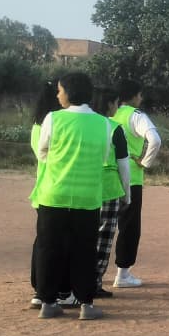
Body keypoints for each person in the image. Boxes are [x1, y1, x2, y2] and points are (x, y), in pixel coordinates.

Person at [32, 71, 110, 320]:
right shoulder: (104, 123)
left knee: (49, 248)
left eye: (60, 90)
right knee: (85, 251)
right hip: (87, 199)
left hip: (54, 195)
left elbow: (42, 152)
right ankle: (86, 304)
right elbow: (104, 157)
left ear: (69, 92)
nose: (58, 95)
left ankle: (47, 302)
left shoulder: (53, 118)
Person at [111, 80, 162, 289]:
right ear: (133, 96)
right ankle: (122, 274)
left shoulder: (108, 113)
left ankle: (93, 273)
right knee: (128, 227)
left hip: (107, 176)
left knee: (101, 226)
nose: (141, 99)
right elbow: (155, 140)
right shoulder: (136, 115)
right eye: (140, 95)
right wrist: (145, 162)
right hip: (131, 178)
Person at [89, 87, 131, 299]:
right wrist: (127, 193)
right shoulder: (114, 128)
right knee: (103, 239)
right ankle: (94, 282)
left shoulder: (84, 125)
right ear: (108, 104)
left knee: (82, 237)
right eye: (116, 103)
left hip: (84, 187)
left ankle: (75, 281)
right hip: (108, 189)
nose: (117, 107)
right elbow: (124, 165)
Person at [27, 80, 62, 309]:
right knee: (57, 243)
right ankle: (50, 290)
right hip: (57, 190)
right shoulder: (56, 124)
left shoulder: (37, 125)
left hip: (43, 189)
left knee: (43, 242)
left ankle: (40, 290)